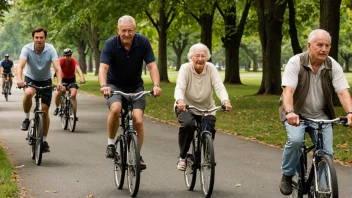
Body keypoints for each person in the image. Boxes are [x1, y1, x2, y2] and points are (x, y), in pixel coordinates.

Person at [278, 29, 352, 195]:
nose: (324, 49)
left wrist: (350, 113)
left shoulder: (333, 65)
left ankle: (324, 190)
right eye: (320, 45)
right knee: (296, 140)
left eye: (327, 45)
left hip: (321, 116)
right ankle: (288, 175)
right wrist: (290, 112)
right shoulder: (295, 62)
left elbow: (343, 92)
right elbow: (288, 91)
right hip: (296, 115)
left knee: (327, 153)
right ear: (309, 46)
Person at [98, 15, 162, 170]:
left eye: (130, 30)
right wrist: (103, 85)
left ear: (135, 30)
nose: (127, 34)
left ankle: (137, 155)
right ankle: (111, 144)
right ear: (118, 30)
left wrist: (156, 85)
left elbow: (152, 66)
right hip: (114, 85)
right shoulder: (110, 44)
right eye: (124, 30)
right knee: (116, 109)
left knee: (138, 120)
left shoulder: (143, 42)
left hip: (135, 86)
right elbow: (103, 68)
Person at [174, 43, 232, 171]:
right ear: (191, 57)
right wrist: (180, 100)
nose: (200, 59)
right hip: (186, 106)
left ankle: (206, 156)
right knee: (189, 125)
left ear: (207, 58)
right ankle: (182, 157)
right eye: (197, 56)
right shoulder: (185, 68)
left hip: (207, 108)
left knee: (209, 126)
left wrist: (225, 101)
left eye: (203, 56)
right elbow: (180, 87)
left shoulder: (211, 68)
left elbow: (219, 86)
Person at [16, 27, 63, 153]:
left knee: (45, 110)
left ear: (45, 39)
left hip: (46, 80)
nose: (39, 40)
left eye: (41, 37)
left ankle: (44, 141)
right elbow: (20, 66)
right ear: (33, 38)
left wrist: (59, 82)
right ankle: (26, 118)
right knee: (28, 93)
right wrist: (20, 79)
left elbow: (57, 68)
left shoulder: (50, 49)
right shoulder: (27, 48)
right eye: (36, 37)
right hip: (30, 78)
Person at [53, 48, 85, 117]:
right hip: (63, 78)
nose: (67, 57)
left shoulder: (74, 61)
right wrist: (58, 81)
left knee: (73, 95)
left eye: (69, 56)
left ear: (71, 56)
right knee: (61, 91)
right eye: (66, 56)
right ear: (64, 56)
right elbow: (57, 70)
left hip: (72, 79)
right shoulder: (61, 60)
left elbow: (78, 69)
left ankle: (74, 115)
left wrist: (82, 78)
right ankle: (57, 108)